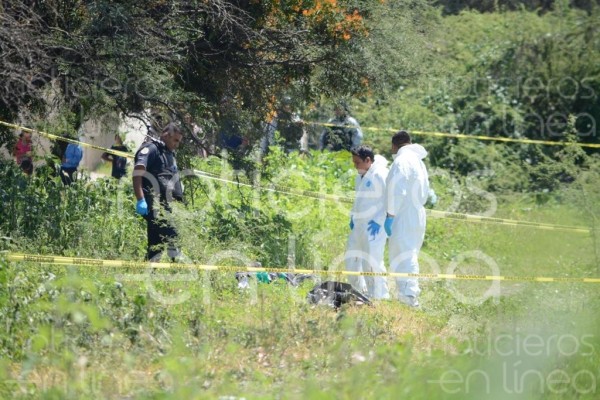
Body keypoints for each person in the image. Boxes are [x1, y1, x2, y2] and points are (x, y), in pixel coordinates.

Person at [384, 130, 430, 307]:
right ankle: (408, 295)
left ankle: (408, 297)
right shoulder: (418, 162)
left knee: (403, 254)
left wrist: (390, 215)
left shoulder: (402, 161)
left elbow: (397, 191)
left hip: (404, 214)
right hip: (417, 213)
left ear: (394, 145)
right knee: (410, 253)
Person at [133, 123, 184, 261]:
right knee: (173, 236)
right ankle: (179, 268)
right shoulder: (151, 149)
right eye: (175, 140)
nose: (177, 144)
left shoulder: (167, 153)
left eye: (179, 141)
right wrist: (140, 199)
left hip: (163, 205)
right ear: (166, 135)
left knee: (156, 246)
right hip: (152, 204)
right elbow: (137, 172)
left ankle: (149, 270)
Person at [345, 145, 390, 300]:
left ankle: (379, 296)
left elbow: (390, 199)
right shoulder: (360, 176)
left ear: (368, 160)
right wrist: (353, 216)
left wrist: (380, 220)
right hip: (359, 224)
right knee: (351, 259)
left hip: (374, 226)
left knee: (371, 261)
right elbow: (358, 199)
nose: (355, 166)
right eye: (354, 162)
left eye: (357, 162)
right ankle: (359, 293)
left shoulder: (381, 174)